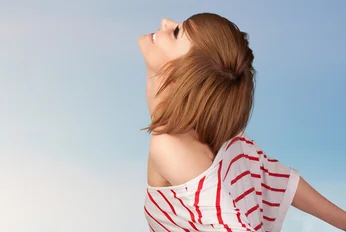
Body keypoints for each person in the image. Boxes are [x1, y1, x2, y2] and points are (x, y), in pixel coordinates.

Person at [138, 14, 346, 232]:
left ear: (183, 75)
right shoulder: (215, 129)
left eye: (176, 33)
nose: (165, 22)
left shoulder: (170, 146)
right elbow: (274, 177)